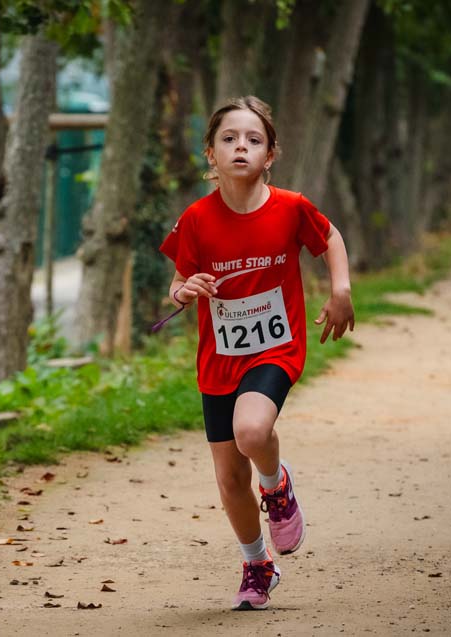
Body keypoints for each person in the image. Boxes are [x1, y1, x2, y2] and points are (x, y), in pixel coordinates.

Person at [159, 96, 355, 610]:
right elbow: (177, 284)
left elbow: (330, 236)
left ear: (270, 154)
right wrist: (185, 291)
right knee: (228, 478)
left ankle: (276, 484)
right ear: (211, 153)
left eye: (253, 139)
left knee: (251, 431)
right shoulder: (197, 219)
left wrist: (340, 290)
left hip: (276, 347)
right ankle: (257, 565)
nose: (240, 147)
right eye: (229, 139)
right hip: (219, 358)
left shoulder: (290, 207)